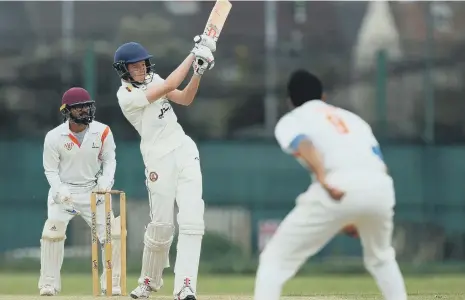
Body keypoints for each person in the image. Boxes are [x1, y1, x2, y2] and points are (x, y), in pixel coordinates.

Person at [253, 70, 407, 300]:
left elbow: (303, 143)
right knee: (382, 258)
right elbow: (378, 161)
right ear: (323, 97)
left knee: (274, 259)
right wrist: (359, 211)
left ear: (290, 101)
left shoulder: (292, 119)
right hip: (381, 187)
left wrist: (323, 179)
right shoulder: (353, 119)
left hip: (337, 185)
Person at [112, 35, 215, 300]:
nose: (141, 68)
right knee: (161, 226)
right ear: (123, 70)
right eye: (134, 66)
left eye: (143, 63)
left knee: (193, 220)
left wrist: (198, 72)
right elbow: (170, 83)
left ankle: (185, 285)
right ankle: (149, 281)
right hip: (157, 159)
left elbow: (184, 98)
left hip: (183, 149)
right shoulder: (126, 96)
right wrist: (194, 53)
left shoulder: (153, 80)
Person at [39, 87, 120, 296]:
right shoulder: (54, 136)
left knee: (114, 234)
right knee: (52, 234)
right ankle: (49, 284)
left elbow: (110, 160)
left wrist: (105, 183)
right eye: (78, 108)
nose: (84, 111)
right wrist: (60, 190)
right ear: (67, 111)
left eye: (87, 106)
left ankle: (111, 283)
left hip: (94, 190)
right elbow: (50, 169)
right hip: (64, 192)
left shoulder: (103, 131)